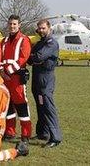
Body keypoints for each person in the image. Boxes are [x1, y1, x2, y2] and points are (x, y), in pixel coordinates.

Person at [28, 19, 62, 148]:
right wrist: (35, 58)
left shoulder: (51, 43)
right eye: (39, 28)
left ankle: (56, 137)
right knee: (40, 107)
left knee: (48, 107)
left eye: (43, 28)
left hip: (46, 79)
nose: (41, 30)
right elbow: (31, 59)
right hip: (37, 79)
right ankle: (43, 133)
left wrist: (36, 58)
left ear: (49, 28)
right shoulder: (39, 43)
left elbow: (38, 57)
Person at [0, 14, 32, 142]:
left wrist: (7, 71)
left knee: (21, 105)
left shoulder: (24, 39)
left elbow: (23, 58)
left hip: (17, 78)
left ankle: (26, 134)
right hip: (5, 78)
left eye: (14, 24)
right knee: (8, 106)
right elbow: (0, 58)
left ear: (19, 25)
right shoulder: (4, 40)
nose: (12, 26)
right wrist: (2, 71)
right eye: (10, 24)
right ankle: (10, 132)